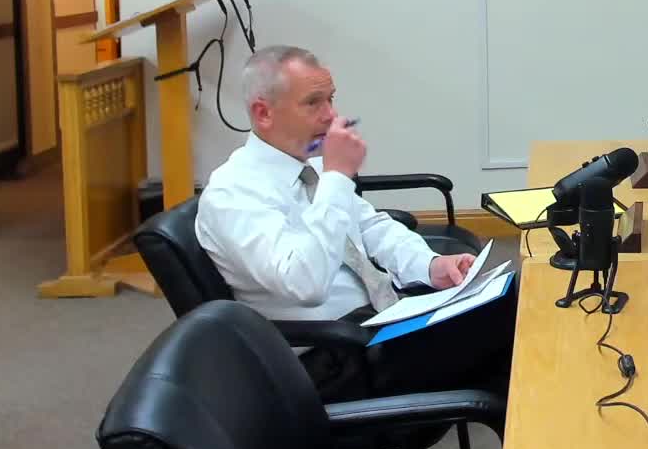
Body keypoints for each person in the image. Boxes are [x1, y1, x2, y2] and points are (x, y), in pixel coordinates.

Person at [196, 45, 515, 399]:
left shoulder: (311, 163)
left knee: (506, 307)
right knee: (509, 319)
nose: (331, 115)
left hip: (378, 323)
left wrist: (430, 265)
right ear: (263, 113)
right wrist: (336, 178)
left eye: (330, 99)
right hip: (327, 360)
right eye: (313, 103)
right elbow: (305, 284)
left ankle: (510, 420)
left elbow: (370, 226)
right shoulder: (232, 193)